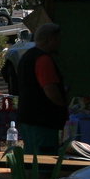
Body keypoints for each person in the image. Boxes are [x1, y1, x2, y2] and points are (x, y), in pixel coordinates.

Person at [16, 23, 68, 155]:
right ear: (50, 39)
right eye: (58, 39)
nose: (59, 43)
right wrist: (64, 105)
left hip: (27, 117)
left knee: (30, 159)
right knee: (44, 163)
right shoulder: (43, 59)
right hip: (42, 121)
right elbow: (50, 89)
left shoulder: (26, 56)